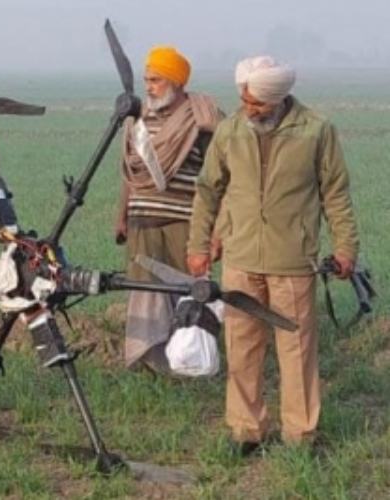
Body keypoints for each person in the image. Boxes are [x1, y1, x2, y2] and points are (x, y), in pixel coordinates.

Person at [187, 56, 358, 453]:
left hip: (293, 262)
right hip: (241, 261)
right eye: (245, 100)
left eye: (258, 103)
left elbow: (335, 193)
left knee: (296, 352)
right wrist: (198, 246)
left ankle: (300, 436)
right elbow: (208, 191)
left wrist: (346, 246)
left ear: (279, 98)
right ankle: (247, 431)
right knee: (243, 347)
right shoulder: (229, 131)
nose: (250, 109)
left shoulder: (316, 131)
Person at [115, 46, 222, 373]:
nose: (149, 86)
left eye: (157, 80)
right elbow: (132, 171)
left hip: (184, 221)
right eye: (147, 80)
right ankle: (151, 362)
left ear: (176, 82)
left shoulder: (203, 119)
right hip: (142, 220)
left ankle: (189, 361)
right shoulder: (137, 118)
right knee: (144, 290)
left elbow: (220, 179)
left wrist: (216, 232)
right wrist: (121, 214)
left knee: (185, 292)